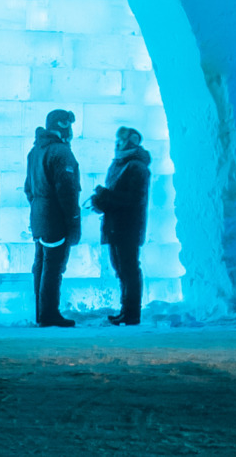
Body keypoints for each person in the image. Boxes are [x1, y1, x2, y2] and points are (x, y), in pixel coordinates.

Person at [23, 109, 80, 327]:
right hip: (55, 218)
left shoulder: (35, 151)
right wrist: (72, 220)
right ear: (63, 126)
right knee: (53, 267)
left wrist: (39, 207)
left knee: (41, 263)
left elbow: (29, 189)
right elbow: (67, 191)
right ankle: (49, 314)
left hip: (39, 216)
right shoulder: (60, 152)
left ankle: (41, 312)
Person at [89, 125, 152, 325]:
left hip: (128, 226)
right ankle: (126, 310)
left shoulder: (136, 167)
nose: (117, 143)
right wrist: (101, 201)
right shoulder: (119, 164)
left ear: (131, 142)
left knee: (129, 269)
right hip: (116, 225)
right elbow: (116, 196)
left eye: (121, 139)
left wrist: (105, 196)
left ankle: (132, 312)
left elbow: (133, 199)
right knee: (121, 269)